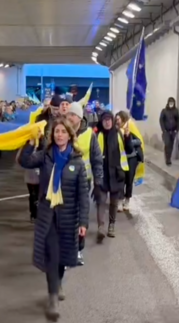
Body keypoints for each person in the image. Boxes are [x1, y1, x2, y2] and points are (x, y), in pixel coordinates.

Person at [18, 118, 89, 321]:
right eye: (56, 131)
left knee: (63, 255)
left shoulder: (77, 160)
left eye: (63, 132)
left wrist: (83, 222)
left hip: (68, 216)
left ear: (69, 135)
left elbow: (83, 194)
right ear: (52, 135)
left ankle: (58, 283)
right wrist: (30, 143)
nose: (59, 135)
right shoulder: (46, 156)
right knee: (52, 254)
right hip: (48, 214)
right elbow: (25, 161)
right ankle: (53, 299)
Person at [66, 102, 103, 265]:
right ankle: (67, 252)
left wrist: (98, 182)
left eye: (72, 115)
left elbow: (96, 160)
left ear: (79, 118)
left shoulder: (89, 134)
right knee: (66, 218)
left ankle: (79, 250)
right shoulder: (63, 132)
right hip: (65, 182)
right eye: (67, 115)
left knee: (81, 217)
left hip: (84, 182)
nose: (68, 118)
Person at [95, 111, 129, 239]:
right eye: (105, 120)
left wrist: (128, 137)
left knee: (114, 203)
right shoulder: (98, 135)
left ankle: (111, 225)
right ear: (102, 121)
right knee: (101, 201)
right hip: (102, 174)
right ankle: (101, 227)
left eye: (109, 119)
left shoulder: (119, 134)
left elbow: (127, 150)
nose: (107, 122)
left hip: (116, 173)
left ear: (113, 121)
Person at [115, 111, 143, 212]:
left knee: (129, 180)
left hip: (131, 158)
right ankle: (120, 200)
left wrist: (129, 141)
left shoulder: (131, 127)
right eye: (116, 119)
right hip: (120, 158)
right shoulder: (116, 129)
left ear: (123, 119)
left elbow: (139, 140)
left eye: (118, 119)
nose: (117, 121)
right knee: (120, 179)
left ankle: (127, 200)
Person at [159, 97, 179, 166]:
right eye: (170, 103)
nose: (171, 104)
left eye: (172, 103)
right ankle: (167, 159)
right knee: (167, 144)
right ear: (168, 103)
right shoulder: (164, 111)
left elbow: (178, 120)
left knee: (171, 145)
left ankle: (169, 158)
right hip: (166, 131)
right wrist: (163, 130)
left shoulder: (176, 111)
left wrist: (177, 129)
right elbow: (161, 120)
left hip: (173, 131)